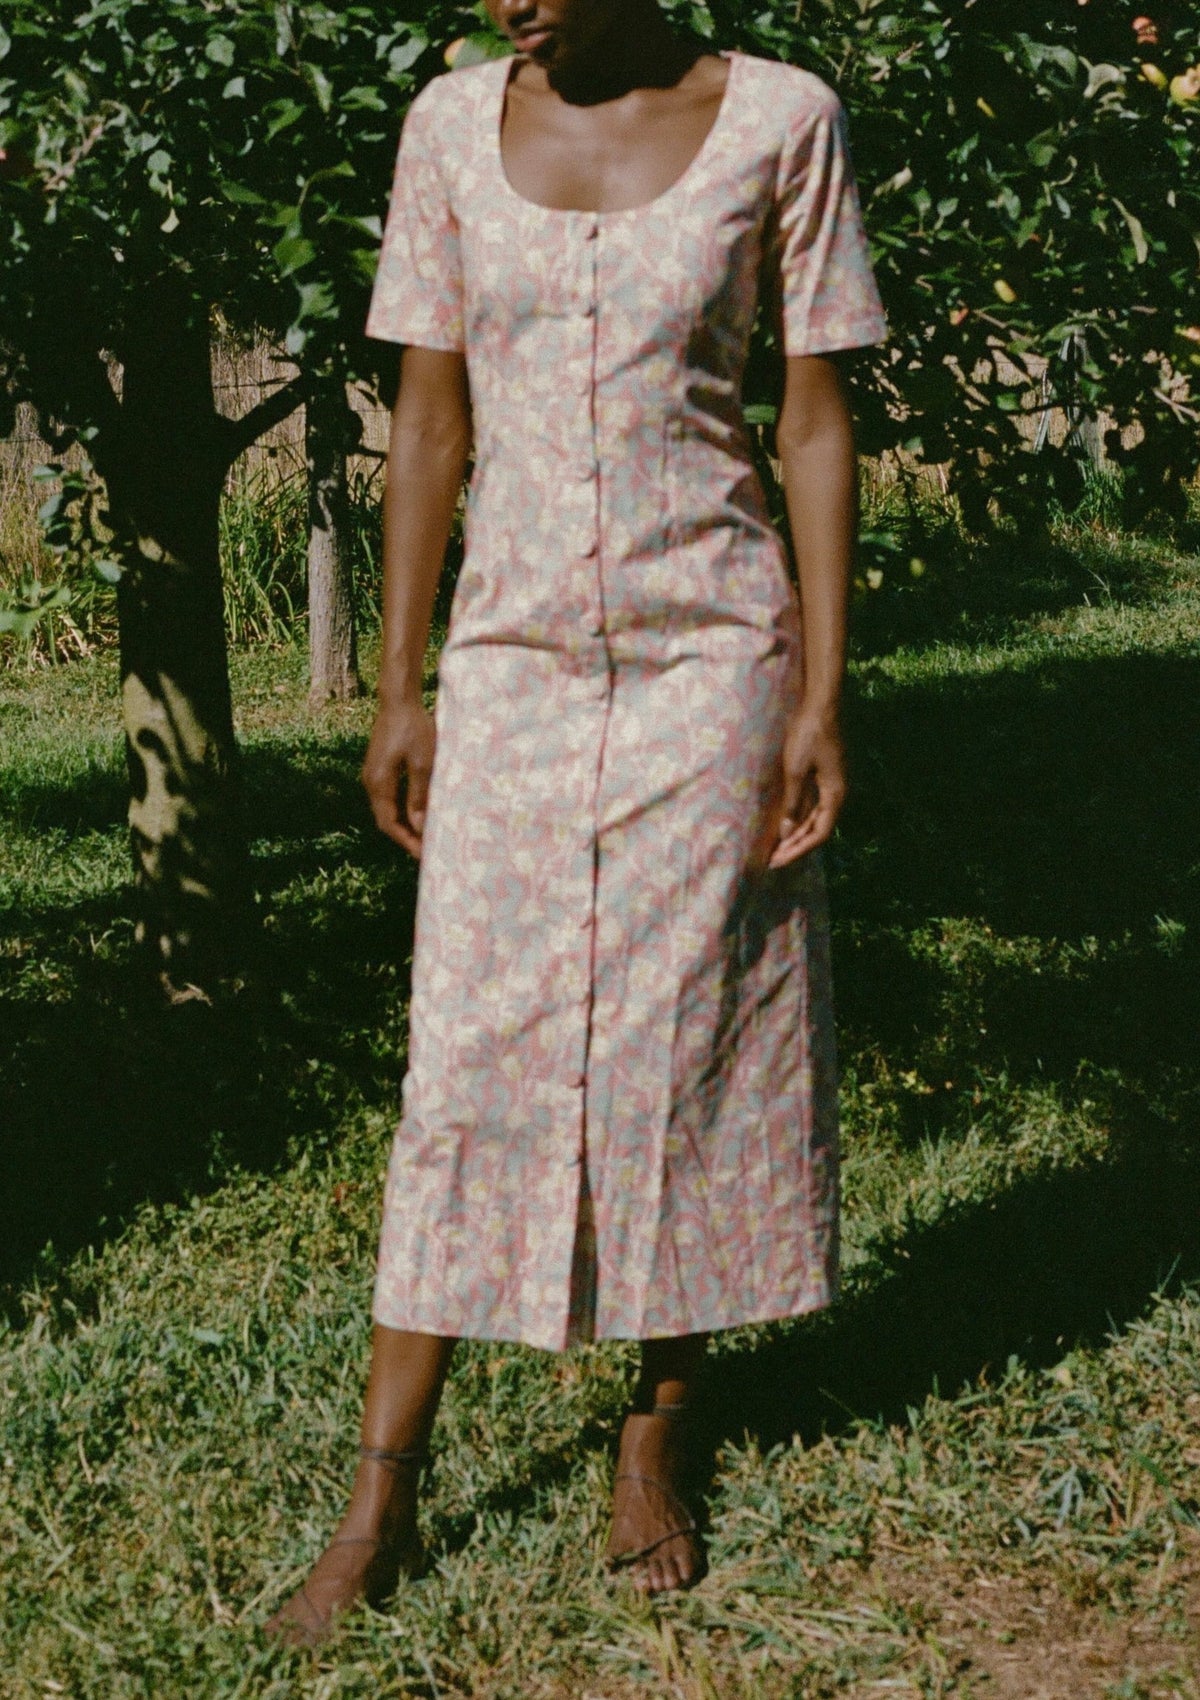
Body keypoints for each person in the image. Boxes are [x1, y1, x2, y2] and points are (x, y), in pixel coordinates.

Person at [266, 0, 886, 1646]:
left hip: (716, 653)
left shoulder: (781, 120)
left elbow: (812, 421)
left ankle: (654, 1435)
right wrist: (402, 688)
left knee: (696, 1032)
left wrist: (822, 690)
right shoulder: (447, 128)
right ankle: (381, 1495)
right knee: (470, 1049)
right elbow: (430, 418)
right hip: (516, 661)